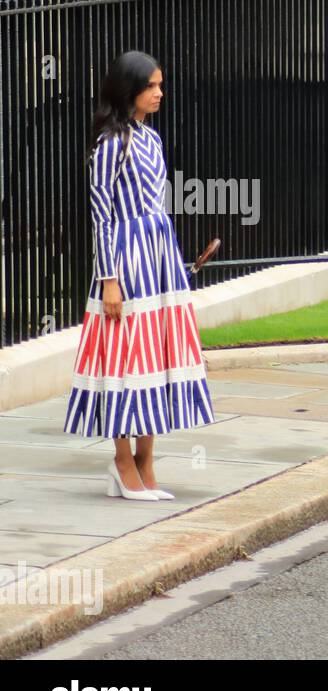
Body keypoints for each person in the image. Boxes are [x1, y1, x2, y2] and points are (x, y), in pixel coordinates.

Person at [63, 51, 216, 501]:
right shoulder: (110, 145)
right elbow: (102, 215)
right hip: (125, 263)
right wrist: (109, 277)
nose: (159, 92)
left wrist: (171, 258)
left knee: (158, 354)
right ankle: (123, 461)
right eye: (151, 85)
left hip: (159, 259)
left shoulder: (150, 138)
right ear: (129, 90)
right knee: (124, 357)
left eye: (160, 84)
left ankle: (147, 462)